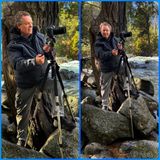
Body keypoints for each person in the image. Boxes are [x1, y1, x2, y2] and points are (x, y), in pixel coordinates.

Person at [7, 11, 75, 147]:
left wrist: (48, 50)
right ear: (19, 26)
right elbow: (17, 64)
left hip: (42, 78)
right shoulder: (13, 45)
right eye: (27, 24)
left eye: (31, 23)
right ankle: (21, 138)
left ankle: (58, 117)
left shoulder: (39, 36)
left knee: (56, 84)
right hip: (25, 83)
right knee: (22, 112)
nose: (30, 26)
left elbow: (47, 56)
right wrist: (34, 61)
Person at [94, 22, 122, 111]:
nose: (105, 32)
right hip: (106, 68)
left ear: (110, 30)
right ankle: (104, 105)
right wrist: (111, 53)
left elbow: (120, 51)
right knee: (105, 87)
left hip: (116, 66)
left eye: (107, 30)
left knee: (126, 70)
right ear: (100, 31)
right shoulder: (98, 43)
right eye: (103, 30)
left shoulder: (115, 39)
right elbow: (100, 55)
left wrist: (120, 48)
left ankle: (126, 89)